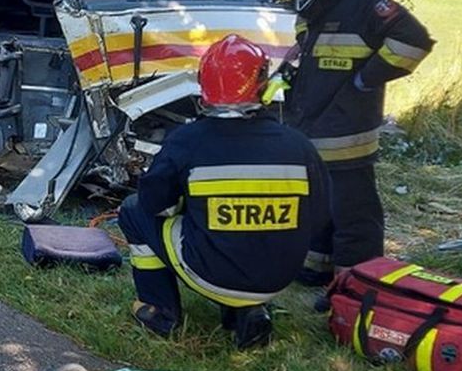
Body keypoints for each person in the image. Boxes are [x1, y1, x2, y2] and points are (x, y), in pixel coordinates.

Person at [118, 35, 331, 349]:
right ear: (262, 84)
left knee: (133, 211)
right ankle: (248, 312)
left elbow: (152, 203)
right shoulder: (298, 145)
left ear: (205, 85)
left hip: (214, 275)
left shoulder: (188, 141)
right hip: (279, 278)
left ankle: (160, 311)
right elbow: (320, 217)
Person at [277, 0, 434, 287]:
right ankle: (317, 269)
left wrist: (367, 78)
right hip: (315, 118)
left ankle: (356, 285)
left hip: (348, 128)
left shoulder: (367, 1)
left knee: (354, 214)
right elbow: (306, 32)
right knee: (320, 204)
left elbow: (414, 42)